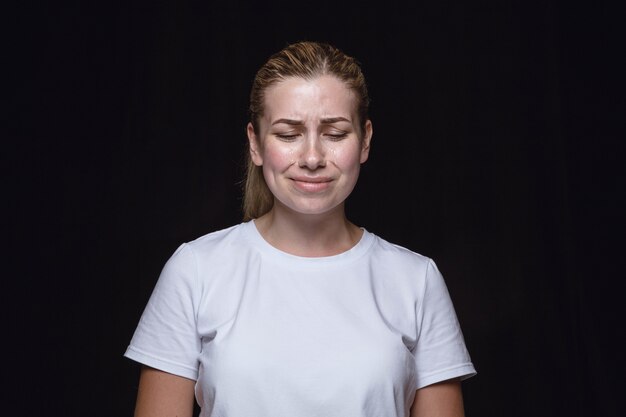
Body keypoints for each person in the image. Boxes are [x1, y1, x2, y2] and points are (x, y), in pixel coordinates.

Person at [125, 41, 476, 417]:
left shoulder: (416, 280)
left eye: (335, 134)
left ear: (365, 141)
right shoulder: (195, 270)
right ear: (255, 144)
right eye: (288, 134)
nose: (312, 158)